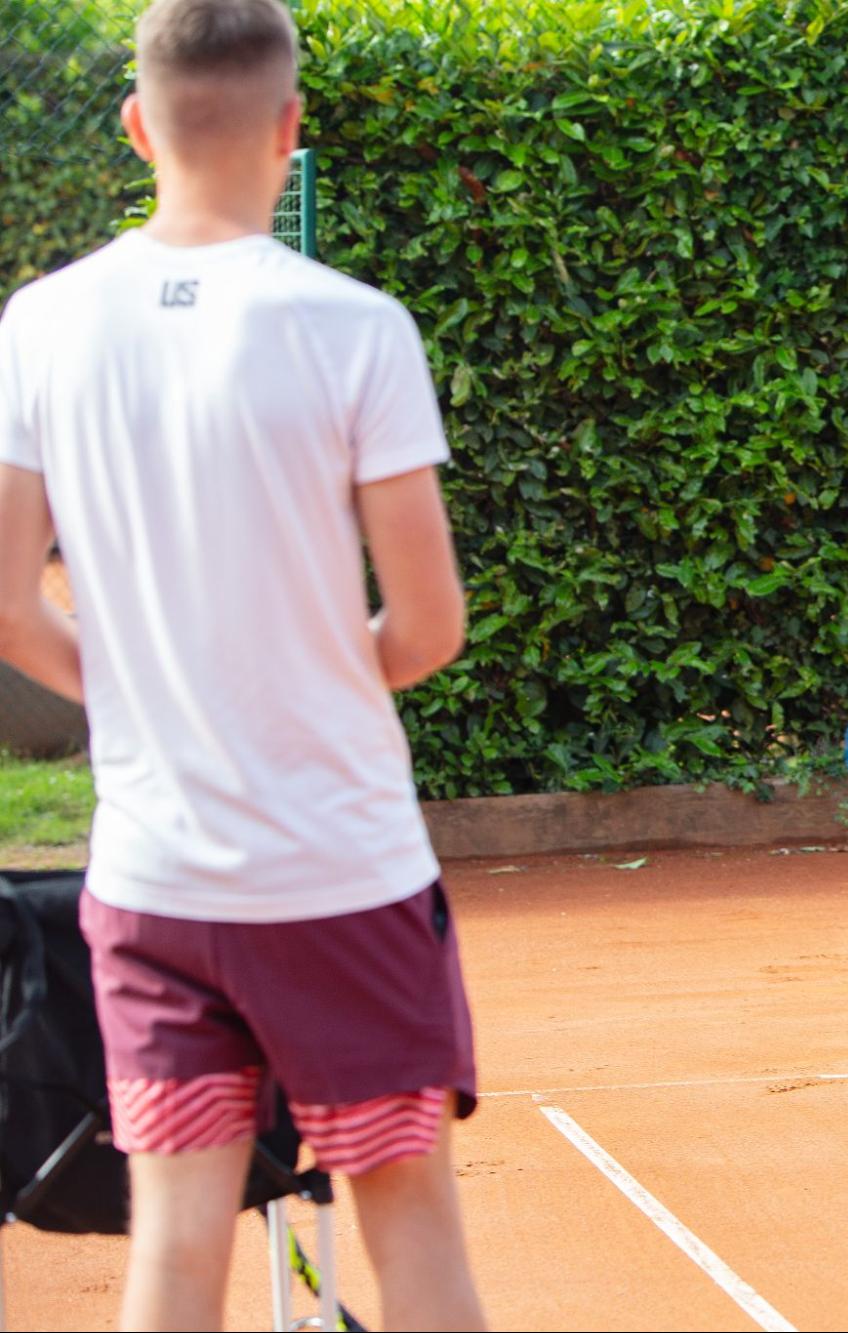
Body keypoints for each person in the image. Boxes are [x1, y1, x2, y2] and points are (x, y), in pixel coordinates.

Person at [0, 1, 484, 1325]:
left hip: (156, 883)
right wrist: (305, 684)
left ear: (134, 124)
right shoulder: (355, 325)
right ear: (291, 130)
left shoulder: (39, 324)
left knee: (173, 1244)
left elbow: (7, 605)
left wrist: (164, 693)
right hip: (341, 874)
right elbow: (428, 625)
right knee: (409, 1216)